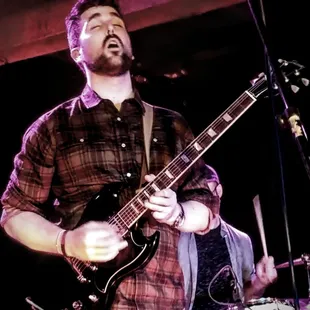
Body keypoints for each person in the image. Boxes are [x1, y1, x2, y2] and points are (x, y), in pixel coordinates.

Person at [0, 0, 220, 309]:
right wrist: (68, 242)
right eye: (96, 25)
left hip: (163, 299)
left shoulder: (172, 124)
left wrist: (179, 213)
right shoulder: (52, 126)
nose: (111, 29)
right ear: (77, 53)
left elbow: (207, 206)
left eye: (117, 23)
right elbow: (14, 213)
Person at [178, 165, 278, 310]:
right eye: (192, 191)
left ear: (219, 190)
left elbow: (245, 298)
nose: (200, 197)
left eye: (204, 190)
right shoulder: (175, 236)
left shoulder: (241, 240)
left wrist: (259, 283)